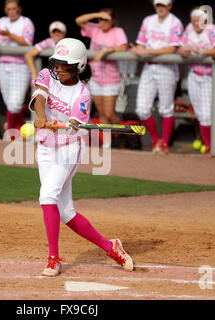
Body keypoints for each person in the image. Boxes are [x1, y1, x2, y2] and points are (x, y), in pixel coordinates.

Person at [29, 38, 135, 277]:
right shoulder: (46, 74)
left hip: (68, 149)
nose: (58, 68)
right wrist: (42, 117)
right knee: (65, 211)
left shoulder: (83, 94)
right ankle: (111, 247)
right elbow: (39, 98)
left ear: (78, 66)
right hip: (45, 148)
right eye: (57, 63)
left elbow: (76, 124)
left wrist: (63, 126)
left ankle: (53, 259)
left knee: (47, 195)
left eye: (65, 65)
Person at [129, 0, 183, 154]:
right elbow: (141, 44)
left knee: (166, 108)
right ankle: (156, 140)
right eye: (158, 4)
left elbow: (173, 49)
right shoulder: (148, 20)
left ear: (170, 5)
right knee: (141, 109)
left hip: (167, 68)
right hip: (149, 67)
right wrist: (138, 50)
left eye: (163, 5)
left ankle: (165, 143)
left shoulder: (175, 22)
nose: (160, 7)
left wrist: (146, 52)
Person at [179, 6, 215, 155]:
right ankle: (209, 144)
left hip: (211, 76)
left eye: (198, 21)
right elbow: (180, 48)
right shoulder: (188, 29)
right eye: (193, 22)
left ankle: (211, 146)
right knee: (200, 114)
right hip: (194, 74)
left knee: (206, 115)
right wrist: (184, 50)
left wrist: (201, 51)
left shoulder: (212, 29)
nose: (196, 25)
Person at [75, 8, 128, 126]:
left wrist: (106, 51)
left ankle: (124, 132)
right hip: (95, 77)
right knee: (102, 114)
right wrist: (96, 14)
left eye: (106, 20)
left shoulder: (117, 31)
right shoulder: (96, 29)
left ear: (113, 20)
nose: (102, 23)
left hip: (111, 79)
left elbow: (123, 47)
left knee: (109, 114)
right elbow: (78, 20)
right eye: (100, 19)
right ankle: (107, 144)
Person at [0, 0, 35, 131]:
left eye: (14, 9)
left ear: (19, 9)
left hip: (20, 66)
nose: (12, 11)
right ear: (5, 10)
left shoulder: (25, 22)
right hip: (3, 65)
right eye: (9, 9)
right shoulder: (1, 22)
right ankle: (18, 128)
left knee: (15, 104)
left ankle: (9, 129)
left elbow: (27, 43)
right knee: (9, 103)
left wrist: (9, 35)